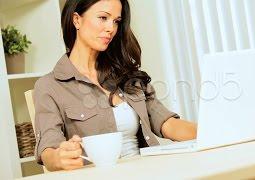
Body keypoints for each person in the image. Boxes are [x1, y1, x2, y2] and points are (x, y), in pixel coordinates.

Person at [34, 0, 197, 171]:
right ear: (77, 20)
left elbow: (168, 124)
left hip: (149, 172)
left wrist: (211, 131)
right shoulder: (49, 86)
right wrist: (58, 158)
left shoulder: (128, 76)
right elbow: (48, 149)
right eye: (103, 17)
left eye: (116, 21)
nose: (111, 28)